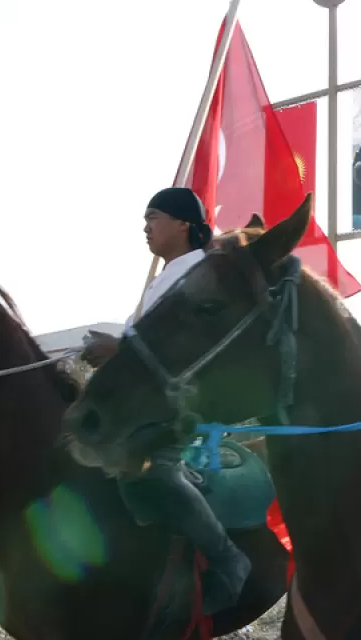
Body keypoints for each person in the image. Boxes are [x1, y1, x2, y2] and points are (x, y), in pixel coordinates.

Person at [80, 186, 250, 616]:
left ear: (183, 224)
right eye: (145, 219)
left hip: (179, 405)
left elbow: (182, 346)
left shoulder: (199, 274)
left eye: (153, 218)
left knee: (154, 469)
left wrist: (119, 350)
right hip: (140, 406)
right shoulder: (166, 276)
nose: (145, 227)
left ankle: (228, 559)